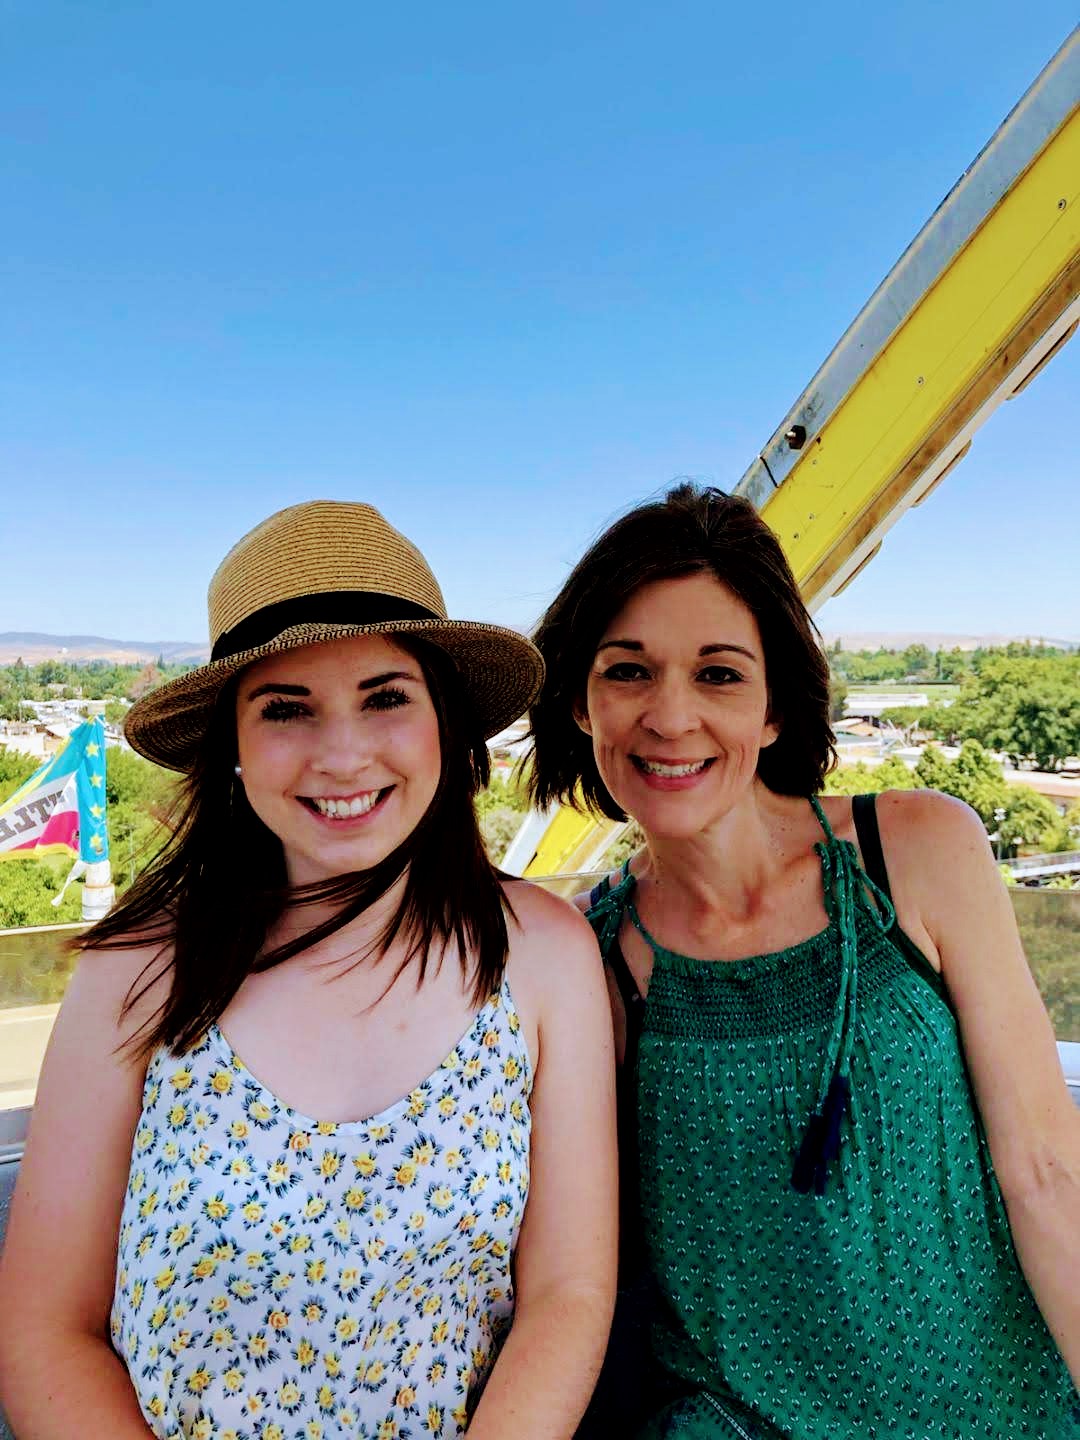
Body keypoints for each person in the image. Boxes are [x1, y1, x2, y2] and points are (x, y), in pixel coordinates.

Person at [0, 500, 617, 1440]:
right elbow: (47, 1330)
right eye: (286, 710)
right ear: (234, 749)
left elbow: (568, 1295)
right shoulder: (138, 972)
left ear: (446, 724)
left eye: (385, 698)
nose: (342, 755)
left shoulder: (544, 956)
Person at [526, 482, 1080, 1439]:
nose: (670, 716)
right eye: (628, 672)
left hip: (1005, 1414)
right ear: (582, 701)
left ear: (776, 707)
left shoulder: (915, 856)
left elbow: (1045, 1171)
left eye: (718, 675)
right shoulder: (591, 958)